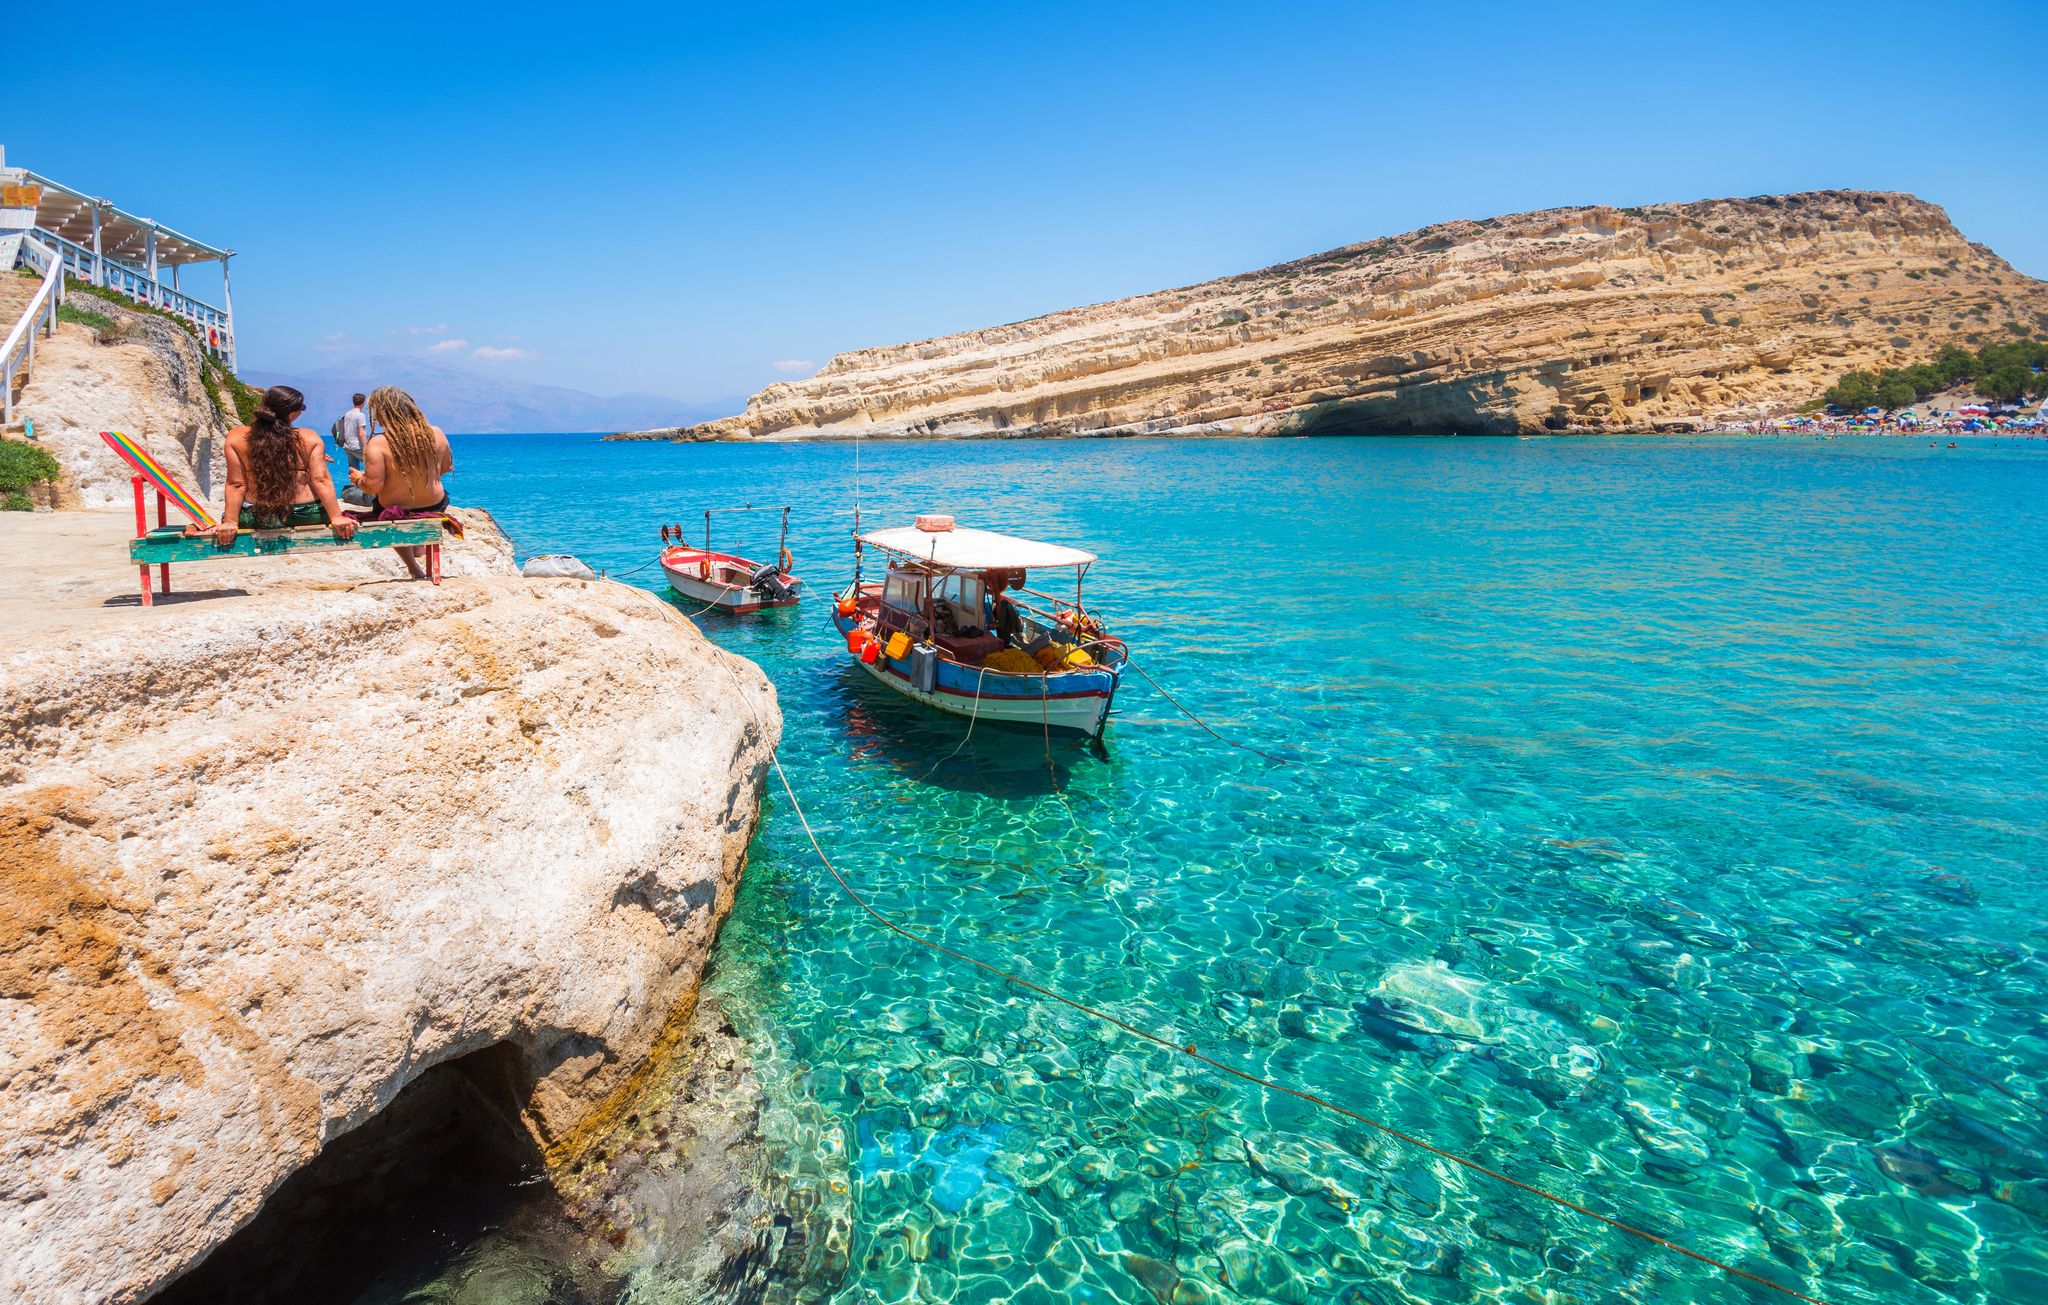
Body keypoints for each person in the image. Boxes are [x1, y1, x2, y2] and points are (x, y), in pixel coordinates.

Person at [214, 385, 358, 547]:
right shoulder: (309, 438)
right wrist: (336, 517)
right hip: (306, 514)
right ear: (292, 414)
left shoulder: (236, 437)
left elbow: (236, 484)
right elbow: (321, 480)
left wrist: (231, 521)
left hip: (257, 515)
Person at [352, 386, 456, 580]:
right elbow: (444, 468)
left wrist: (358, 480)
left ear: (383, 414)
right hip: (435, 504)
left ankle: (413, 568)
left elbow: (373, 486)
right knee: (411, 514)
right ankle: (419, 546)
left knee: (387, 513)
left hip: (395, 508)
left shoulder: (378, 443)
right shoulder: (436, 433)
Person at [337, 392, 370, 471]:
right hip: (357, 447)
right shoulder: (360, 415)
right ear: (363, 402)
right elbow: (361, 433)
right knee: (371, 464)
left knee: (353, 469)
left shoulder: (347, 413)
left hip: (348, 446)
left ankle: (354, 483)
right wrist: (366, 447)